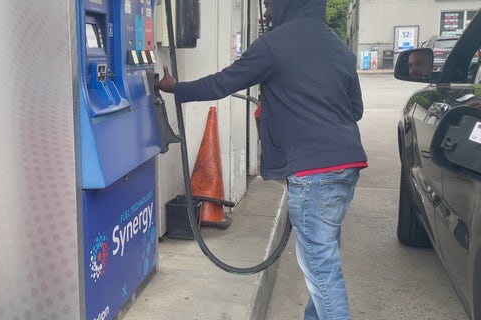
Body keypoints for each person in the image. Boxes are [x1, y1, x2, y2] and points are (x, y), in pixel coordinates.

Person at [157, 0, 367, 319]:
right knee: (323, 258)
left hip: (313, 173)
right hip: (347, 166)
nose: (266, 14)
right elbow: (356, 111)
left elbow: (222, 83)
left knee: (322, 272)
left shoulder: (273, 45)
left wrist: (177, 88)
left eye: (269, 5)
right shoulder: (337, 45)